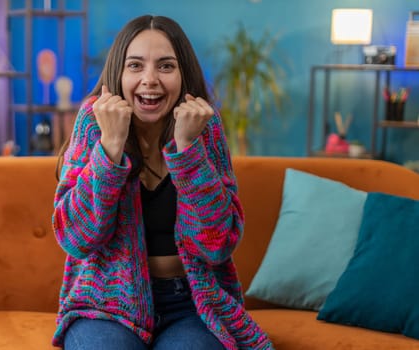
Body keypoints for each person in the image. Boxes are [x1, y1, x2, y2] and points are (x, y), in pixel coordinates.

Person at [52, 14, 274, 350]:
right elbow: (75, 238)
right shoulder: (94, 123)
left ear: (183, 75)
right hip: (104, 301)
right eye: (136, 65)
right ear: (119, 74)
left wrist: (188, 153)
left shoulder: (204, 128)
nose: (150, 79)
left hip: (191, 302)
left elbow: (218, 246)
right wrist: (109, 150)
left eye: (166, 66)